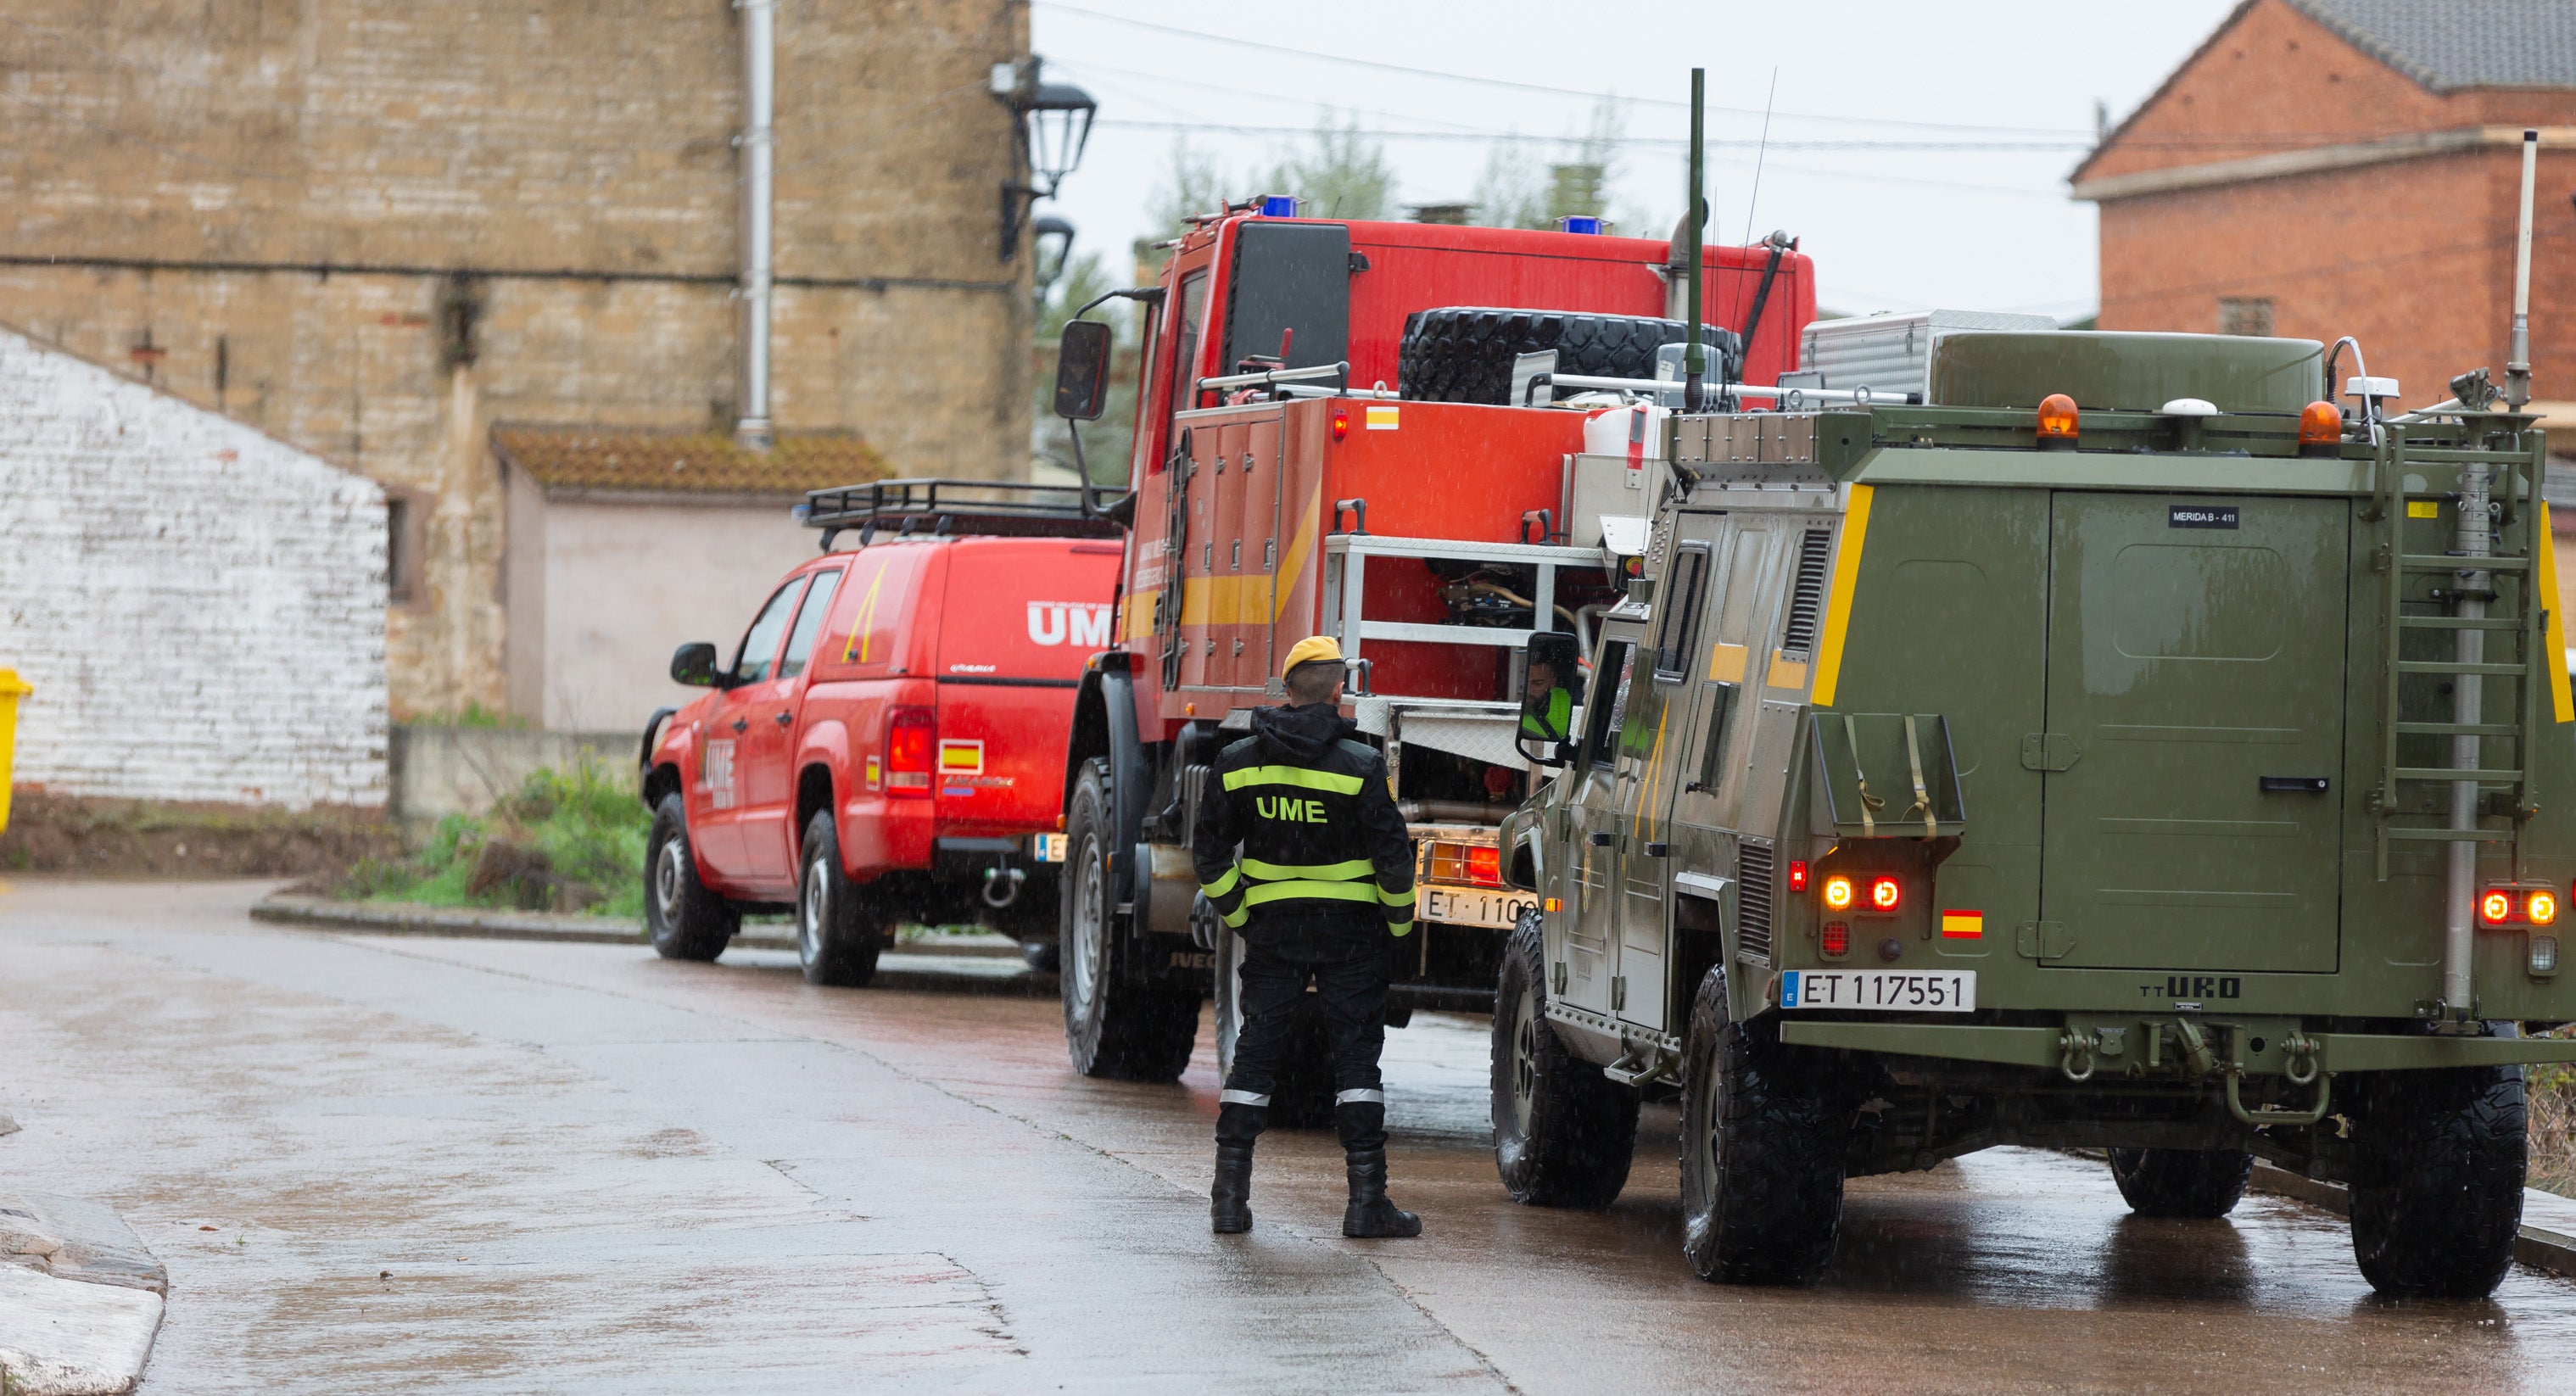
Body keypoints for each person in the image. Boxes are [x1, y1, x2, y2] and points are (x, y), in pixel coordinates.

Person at [1193, 635, 1422, 1239]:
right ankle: (1366, 1203)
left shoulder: (1239, 762)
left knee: (1256, 1056)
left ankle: (1228, 1201)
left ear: (1286, 690)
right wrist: (1396, 928)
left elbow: (1210, 853)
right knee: (1355, 1062)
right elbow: (1394, 862)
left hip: (1274, 935)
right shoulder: (1363, 765)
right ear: (1339, 692)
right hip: (1351, 938)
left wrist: (1243, 917)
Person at [1521, 655, 1572, 741]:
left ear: (1552, 683)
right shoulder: (1511, 704)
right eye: (1525, 681)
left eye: (1537, 683)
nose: (1528, 690)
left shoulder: (1567, 702)